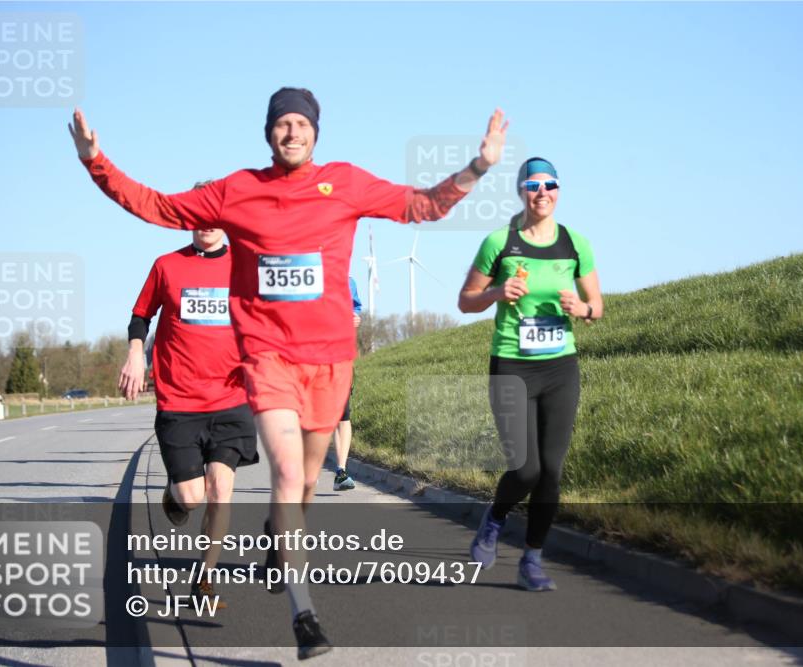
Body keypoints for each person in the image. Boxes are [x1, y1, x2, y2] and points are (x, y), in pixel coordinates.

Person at [71, 88, 507, 659]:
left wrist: (478, 167)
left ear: (316, 133)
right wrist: (94, 160)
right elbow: (155, 205)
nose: (292, 132)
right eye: (282, 124)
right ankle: (304, 615)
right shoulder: (238, 191)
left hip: (329, 362)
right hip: (267, 358)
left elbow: (421, 206)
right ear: (268, 133)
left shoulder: (345, 183)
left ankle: (280, 540)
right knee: (282, 475)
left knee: (303, 488)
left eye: (302, 123)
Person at [457, 156, 603, 592]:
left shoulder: (575, 243)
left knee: (551, 472)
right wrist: (498, 292)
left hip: (561, 366)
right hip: (512, 365)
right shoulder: (499, 242)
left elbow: (597, 305)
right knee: (524, 470)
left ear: (559, 191)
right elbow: (466, 300)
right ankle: (494, 519)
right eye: (534, 185)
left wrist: (583, 309)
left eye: (550, 185)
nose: (543, 193)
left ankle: (533, 560)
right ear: (521, 191)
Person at [118, 195, 258, 609]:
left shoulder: (245, 268)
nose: (207, 224)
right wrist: (133, 354)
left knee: (220, 489)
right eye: (199, 217)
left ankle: (205, 581)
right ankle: (175, 494)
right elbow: (141, 315)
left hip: (232, 399)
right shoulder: (167, 265)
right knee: (192, 496)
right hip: (179, 401)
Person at [332, 277, 363, 491]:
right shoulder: (309, 274)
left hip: (341, 357)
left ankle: (341, 472)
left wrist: (356, 318)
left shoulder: (349, 281)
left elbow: (356, 309)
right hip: (311, 356)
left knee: (342, 416)